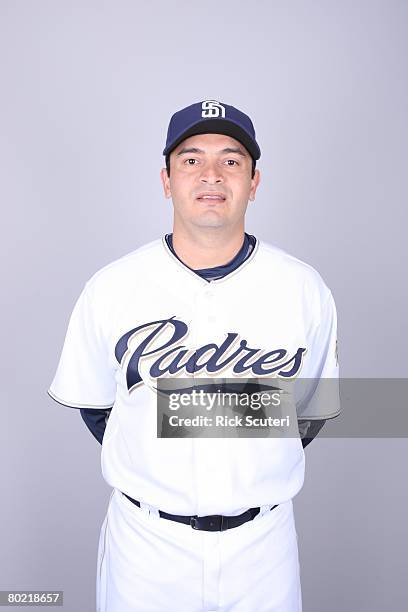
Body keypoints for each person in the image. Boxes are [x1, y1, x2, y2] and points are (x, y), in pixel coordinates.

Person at [47, 99, 340, 612]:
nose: (211, 175)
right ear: (166, 180)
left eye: (231, 161)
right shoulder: (112, 287)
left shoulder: (302, 287)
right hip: (147, 546)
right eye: (191, 160)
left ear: (254, 182)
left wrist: (211, 431)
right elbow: (98, 409)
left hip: (262, 547)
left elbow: (309, 412)